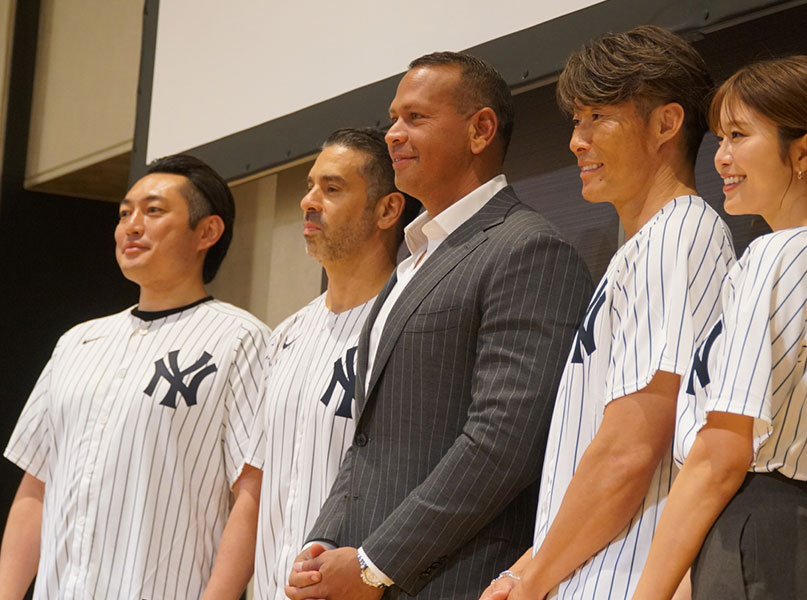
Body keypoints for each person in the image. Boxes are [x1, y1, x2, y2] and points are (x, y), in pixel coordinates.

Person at [285, 51, 594, 600]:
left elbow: (503, 442)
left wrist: (375, 563)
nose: (393, 135)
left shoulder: (526, 248)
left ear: (480, 130)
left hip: (458, 581)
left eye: (415, 118)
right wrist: (325, 540)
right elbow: (369, 440)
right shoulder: (409, 264)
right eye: (393, 119)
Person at [480, 25, 735, 600]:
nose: (577, 140)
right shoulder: (645, 246)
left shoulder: (680, 235)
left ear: (667, 123)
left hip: (627, 577)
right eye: (577, 119)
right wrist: (525, 571)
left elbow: (632, 448)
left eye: (598, 117)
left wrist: (531, 578)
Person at [633, 55, 807, 600]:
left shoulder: (780, 251)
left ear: (806, 150)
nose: (722, 157)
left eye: (738, 135)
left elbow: (722, 450)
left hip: (757, 533)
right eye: (719, 138)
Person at [0, 155, 270, 599]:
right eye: (125, 213)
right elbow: (36, 486)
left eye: (154, 210)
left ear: (208, 232)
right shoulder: (76, 342)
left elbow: (252, 494)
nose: (132, 225)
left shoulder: (241, 339)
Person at [244, 127, 419, 598]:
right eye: (309, 186)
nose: (309, 201)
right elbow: (254, 487)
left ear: (388, 209)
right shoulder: (284, 335)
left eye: (332, 188)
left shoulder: (413, 325)